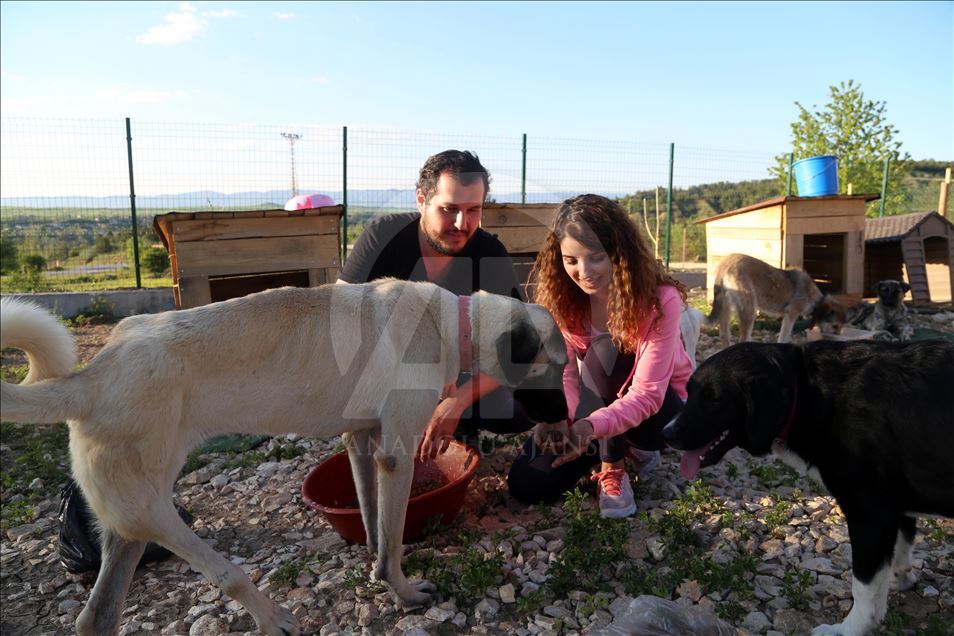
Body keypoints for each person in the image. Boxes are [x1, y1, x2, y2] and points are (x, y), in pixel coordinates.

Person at [507, 194, 693, 518]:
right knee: (527, 482)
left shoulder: (660, 300)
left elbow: (648, 394)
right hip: (601, 411)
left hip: (660, 414)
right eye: (571, 260)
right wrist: (560, 421)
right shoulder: (566, 299)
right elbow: (565, 371)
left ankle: (614, 465)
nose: (583, 271)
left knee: (607, 352)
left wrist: (587, 429)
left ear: (619, 253)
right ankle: (610, 446)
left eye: (595, 257)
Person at [337, 149, 530, 458]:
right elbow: (339, 314)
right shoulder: (382, 238)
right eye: (448, 208)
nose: (461, 223)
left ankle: (458, 422)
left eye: (473, 211)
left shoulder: (489, 252)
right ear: (421, 200)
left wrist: (459, 400)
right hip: (391, 365)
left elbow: (522, 343)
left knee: (518, 407)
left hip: (459, 371)